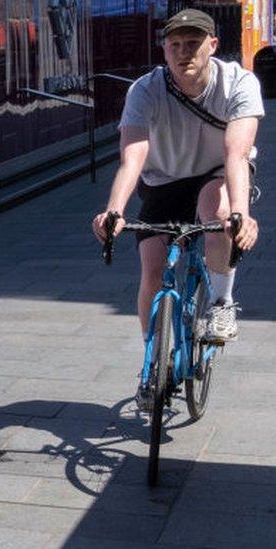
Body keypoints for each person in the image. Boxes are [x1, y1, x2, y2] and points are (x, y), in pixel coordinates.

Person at [90, 9, 263, 409]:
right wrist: (113, 210)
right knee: (152, 270)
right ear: (164, 50)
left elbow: (236, 153)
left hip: (218, 171)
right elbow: (131, 158)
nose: (184, 53)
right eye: (175, 45)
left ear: (213, 46)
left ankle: (221, 303)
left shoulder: (239, 83)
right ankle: (153, 365)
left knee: (215, 212)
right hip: (164, 178)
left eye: (193, 44)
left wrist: (241, 213)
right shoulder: (145, 90)